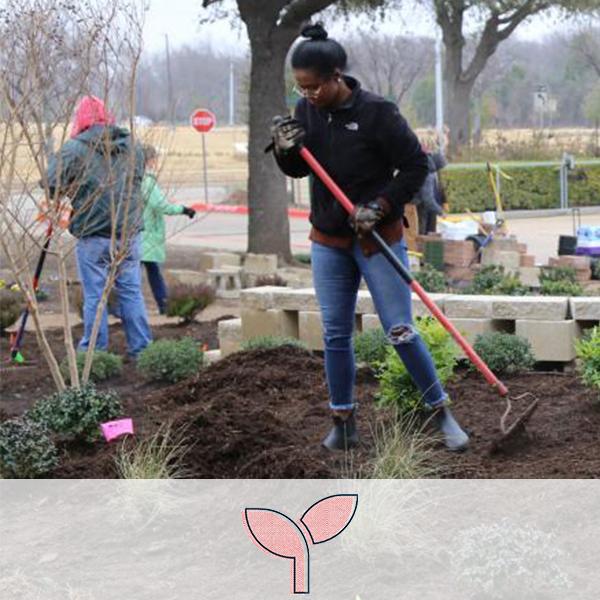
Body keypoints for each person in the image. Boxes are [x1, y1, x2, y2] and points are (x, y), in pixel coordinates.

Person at [269, 24, 469, 452]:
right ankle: (343, 422)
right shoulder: (306, 111)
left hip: (377, 239)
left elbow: (416, 167)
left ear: (336, 75)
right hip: (329, 240)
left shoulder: (379, 113)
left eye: (315, 87)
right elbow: (300, 170)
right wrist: (286, 151)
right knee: (335, 335)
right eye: (300, 88)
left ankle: (441, 413)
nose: (308, 96)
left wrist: (379, 206)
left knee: (401, 330)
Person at [46, 95, 152, 357]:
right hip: (127, 233)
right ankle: (141, 349)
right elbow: (136, 181)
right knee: (131, 291)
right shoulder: (133, 148)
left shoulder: (74, 149)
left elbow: (51, 185)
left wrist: (72, 190)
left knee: (95, 295)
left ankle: (94, 351)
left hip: (93, 234)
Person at [140, 145, 196, 314]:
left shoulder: (135, 179)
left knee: (150, 270)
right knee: (142, 273)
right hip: (147, 232)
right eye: (155, 159)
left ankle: (164, 304)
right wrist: (183, 209)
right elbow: (159, 205)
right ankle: (162, 305)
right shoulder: (147, 181)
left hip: (141, 232)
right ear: (150, 160)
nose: (156, 162)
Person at [414, 150, 447, 235]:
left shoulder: (424, 166)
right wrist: (440, 211)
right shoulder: (428, 174)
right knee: (420, 233)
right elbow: (427, 199)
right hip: (417, 206)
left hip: (415, 204)